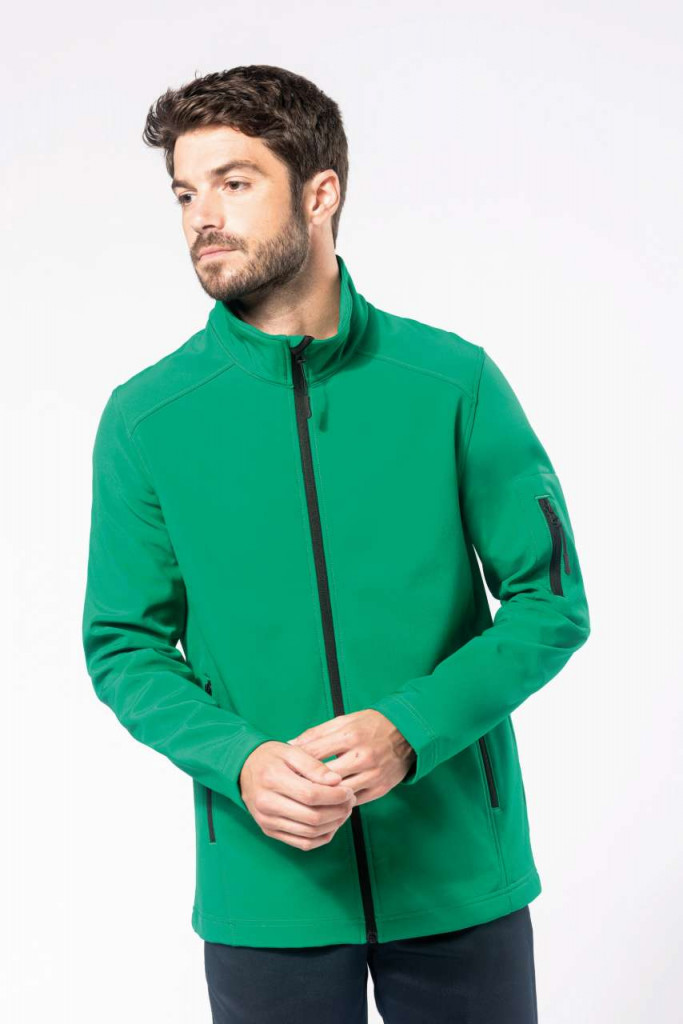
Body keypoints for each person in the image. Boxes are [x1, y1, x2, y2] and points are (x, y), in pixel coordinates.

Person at [81, 64, 591, 1023]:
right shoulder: (147, 419)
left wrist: (410, 729)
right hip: (266, 889)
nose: (202, 217)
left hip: (456, 876)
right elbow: (124, 645)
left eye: (234, 183)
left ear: (320, 195)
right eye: (185, 193)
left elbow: (550, 601)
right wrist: (238, 760)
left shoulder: (451, 382)